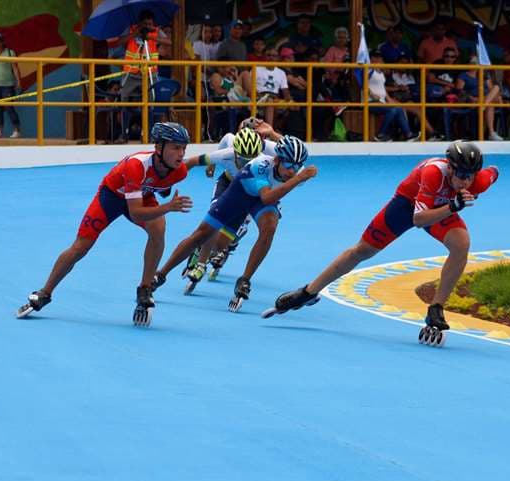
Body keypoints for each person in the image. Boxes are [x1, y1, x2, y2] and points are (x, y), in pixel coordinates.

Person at [265, 141, 499, 345]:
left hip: (440, 208)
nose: (465, 182)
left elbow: (493, 172)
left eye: (470, 177)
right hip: (407, 206)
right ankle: (308, 291)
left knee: (461, 243)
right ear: (450, 167)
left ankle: (436, 308)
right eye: (461, 176)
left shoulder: (477, 180)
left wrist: (472, 188)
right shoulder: (432, 173)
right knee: (361, 251)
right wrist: (452, 206)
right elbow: (418, 219)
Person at [16, 122, 198, 326]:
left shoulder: (178, 170)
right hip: (111, 197)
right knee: (80, 247)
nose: (181, 153)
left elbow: (194, 162)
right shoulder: (136, 165)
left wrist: (215, 159)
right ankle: (44, 292)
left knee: (158, 228)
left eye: (184, 148)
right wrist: (167, 207)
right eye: (175, 147)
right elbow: (136, 213)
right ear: (158, 148)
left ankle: (145, 289)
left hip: (140, 197)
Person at [151, 135, 316, 312]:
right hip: (240, 194)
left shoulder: (298, 171)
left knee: (269, 228)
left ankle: (244, 280)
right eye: (289, 165)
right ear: (277, 160)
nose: (292, 171)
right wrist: (298, 179)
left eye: (296, 167)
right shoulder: (261, 166)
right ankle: (160, 275)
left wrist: (296, 175)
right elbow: (267, 197)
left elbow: (269, 197)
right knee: (202, 235)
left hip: (260, 201)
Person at [182, 119, 282, 291]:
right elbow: (199, 159)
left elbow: (291, 149)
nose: (245, 164)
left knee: (223, 241)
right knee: (214, 222)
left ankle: (226, 245)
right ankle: (200, 264)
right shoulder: (229, 143)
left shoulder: (267, 148)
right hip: (227, 184)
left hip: (251, 192)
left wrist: (273, 134)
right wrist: (211, 166)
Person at [0, 33, 21, 138]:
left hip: (7, 84)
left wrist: (18, 81)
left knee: (9, 107)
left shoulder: (10, 53)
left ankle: (16, 130)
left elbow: (15, 68)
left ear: (2, 42)